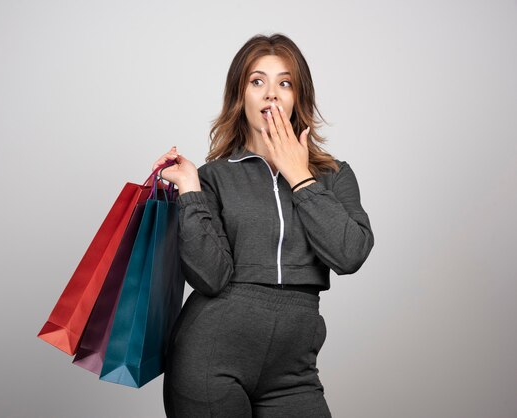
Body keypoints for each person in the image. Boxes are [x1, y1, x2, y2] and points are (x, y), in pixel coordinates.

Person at [152, 33, 374, 418]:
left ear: (297, 97)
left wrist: (299, 175)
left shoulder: (334, 175)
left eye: (284, 83)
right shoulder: (213, 178)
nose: (271, 94)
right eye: (258, 82)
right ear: (242, 96)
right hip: (210, 360)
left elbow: (350, 253)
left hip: (294, 373)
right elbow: (210, 277)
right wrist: (190, 191)